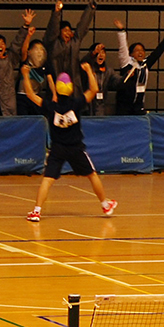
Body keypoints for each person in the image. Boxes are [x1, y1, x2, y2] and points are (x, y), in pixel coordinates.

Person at [22, 63, 118, 221]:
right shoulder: (76, 104)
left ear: (57, 90)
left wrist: (26, 75)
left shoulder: (50, 106)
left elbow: (31, 95)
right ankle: (105, 205)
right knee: (92, 175)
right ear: (71, 88)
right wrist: (88, 71)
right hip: (76, 148)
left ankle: (37, 211)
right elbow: (93, 90)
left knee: (47, 179)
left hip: (57, 149)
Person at [115, 22, 164, 114]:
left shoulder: (146, 64)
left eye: (142, 50)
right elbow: (123, 47)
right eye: (137, 50)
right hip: (124, 107)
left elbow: (157, 52)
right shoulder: (126, 62)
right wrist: (121, 31)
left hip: (138, 106)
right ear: (131, 54)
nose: (140, 52)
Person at [46, 1, 95, 82]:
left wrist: (90, 9)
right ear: (59, 32)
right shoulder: (54, 43)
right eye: (65, 30)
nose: (68, 33)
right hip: (56, 84)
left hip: (73, 85)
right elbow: (52, 30)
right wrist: (56, 13)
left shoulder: (74, 42)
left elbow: (82, 26)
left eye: (69, 31)